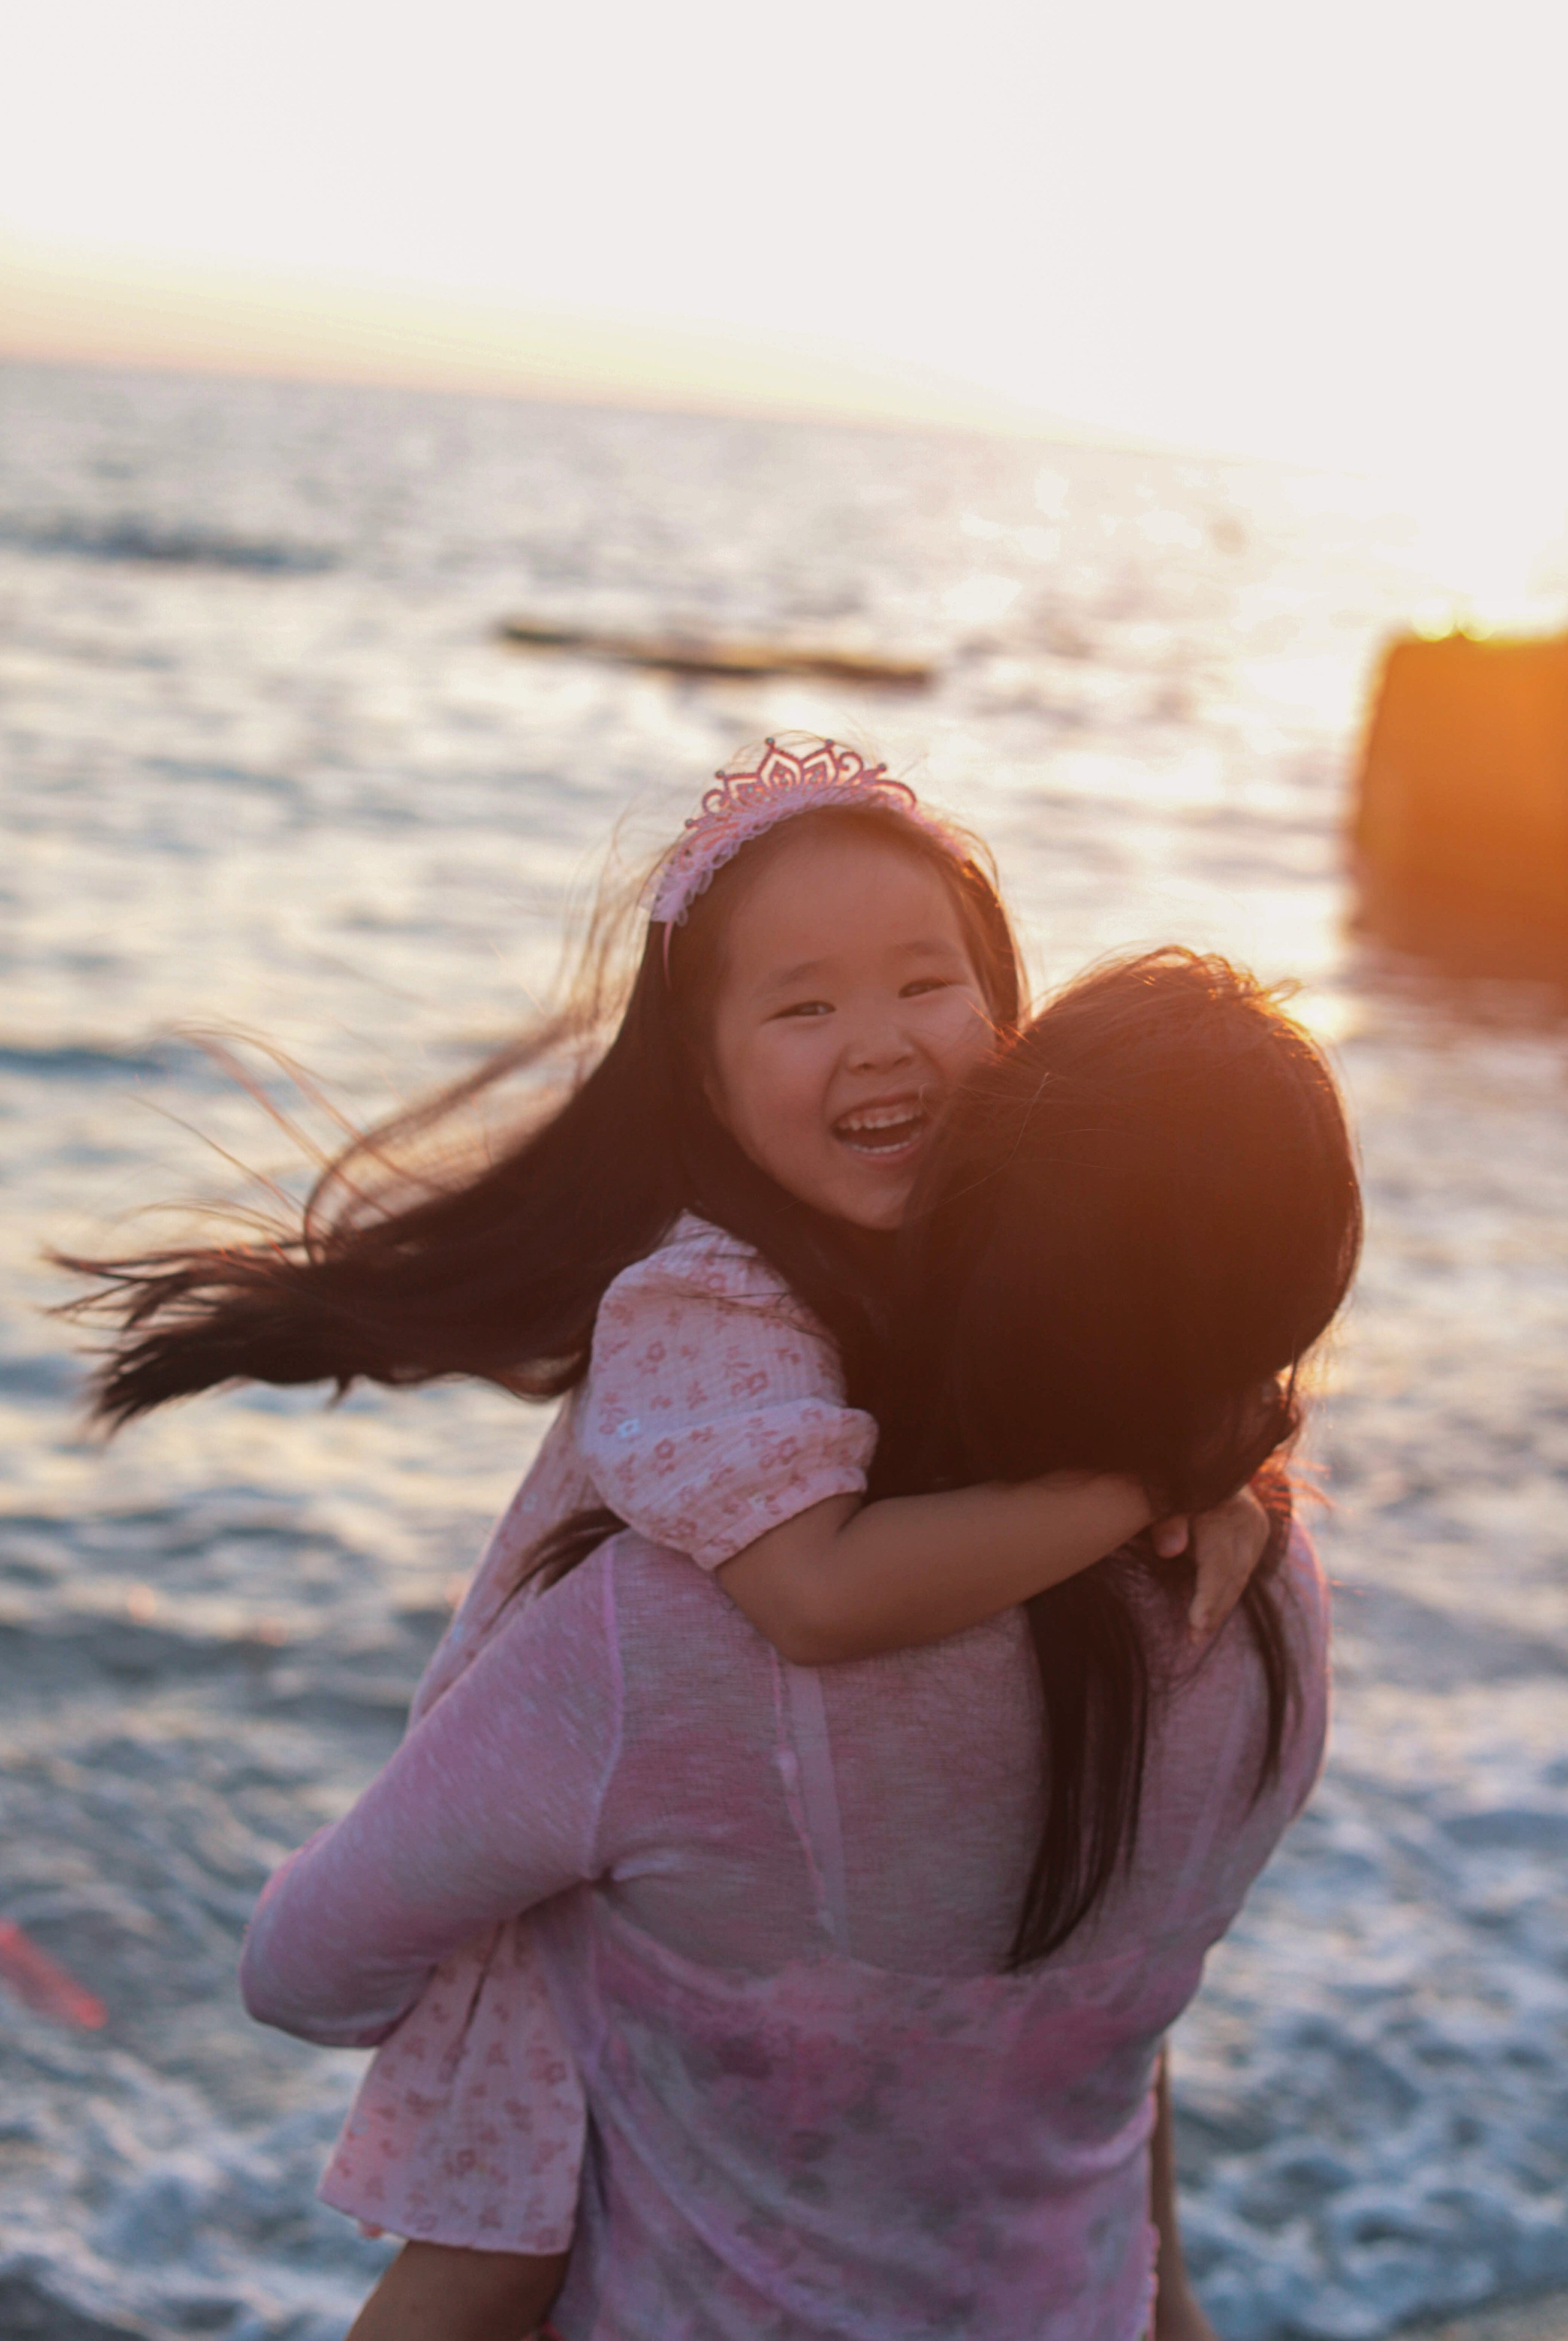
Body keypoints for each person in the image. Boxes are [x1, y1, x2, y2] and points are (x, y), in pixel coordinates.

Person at [64, 736, 1270, 2332]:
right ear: (702, 1078)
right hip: (571, 1887)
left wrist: (1227, 1454)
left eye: (927, 983)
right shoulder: (705, 1301)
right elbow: (819, 1599)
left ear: (1007, 1016)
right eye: (802, 1005)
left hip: (751, 1971)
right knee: (490, 2259)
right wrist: (1140, 1482)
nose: (880, 1043)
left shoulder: (1018, 1295)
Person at [239, 946, 1360, 2341]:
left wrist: (554, 1963)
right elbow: (1105, 2019)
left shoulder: (669, 1639)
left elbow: (302, 1969)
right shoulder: (1273, 1606)